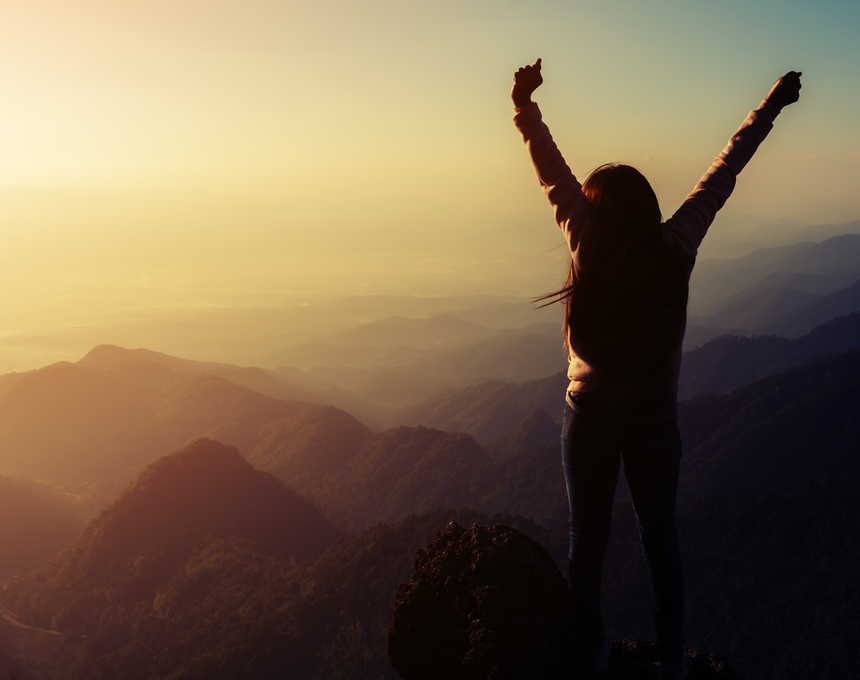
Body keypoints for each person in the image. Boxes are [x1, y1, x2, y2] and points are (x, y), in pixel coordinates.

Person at [511, 59, 801, 678]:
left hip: (587, 417)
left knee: (585, 543)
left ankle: (589, 655)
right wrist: (770, 106)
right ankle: (673, 662)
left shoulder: (585, 239)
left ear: (598, 207)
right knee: (659, 542)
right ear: (647, 205)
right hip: (652, 420)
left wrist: (524, 105)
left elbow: (550, 171)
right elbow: (725, 171)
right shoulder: (677, 246)